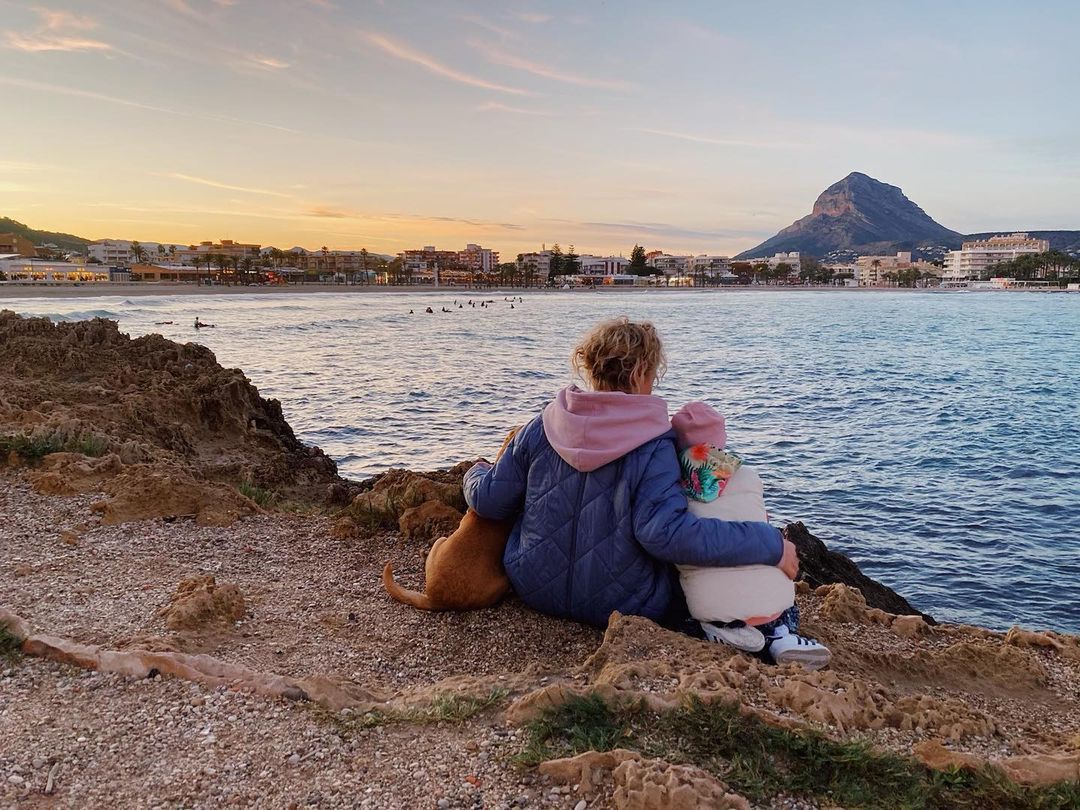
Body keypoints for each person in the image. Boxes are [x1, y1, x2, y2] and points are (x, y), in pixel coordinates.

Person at [463, 317, 797, 628]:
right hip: (623, 603)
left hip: (533, 585)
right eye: (653, 374)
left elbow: (490, 500)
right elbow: (668, 536)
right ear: (639, 373)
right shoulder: (653, 444)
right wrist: (771, 543)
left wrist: (474, 472)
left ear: (590, 366)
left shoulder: (543, 424)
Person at [672, 401, 831, 669]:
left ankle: (725, 630)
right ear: (720, 444)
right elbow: (764, 524)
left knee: (696, 587)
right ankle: (782, 635)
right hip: (775, 603)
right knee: (779, 598)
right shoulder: (748, 477)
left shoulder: (672, 490)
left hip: (713, 607)